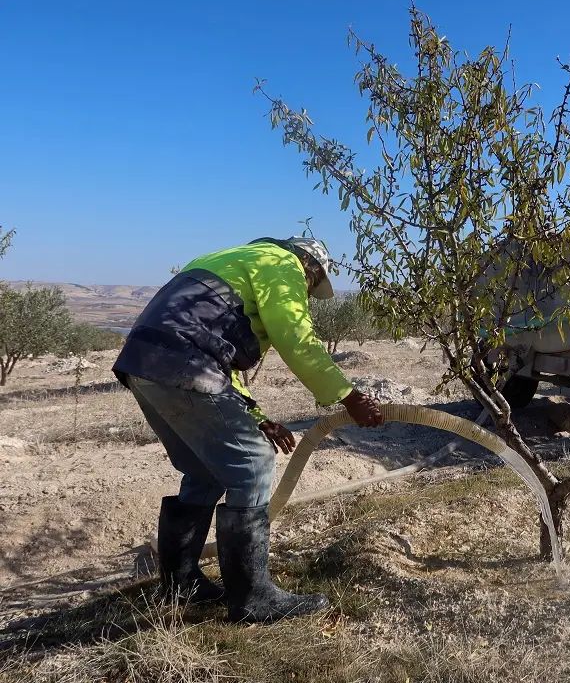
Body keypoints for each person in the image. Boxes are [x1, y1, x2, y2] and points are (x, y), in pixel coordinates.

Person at [112, 236, 384, 623]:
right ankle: (253, 600)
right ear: (309, 267)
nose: (306, 293)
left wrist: (255, 416)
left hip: (145, 364)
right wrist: (348, 396)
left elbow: (224, 365)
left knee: (205, 471)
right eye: (311, 284)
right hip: (184, 364)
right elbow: (297, 338)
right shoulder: (282, 263)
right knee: (254, 464)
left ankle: (181, 585)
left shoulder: (233, 259)